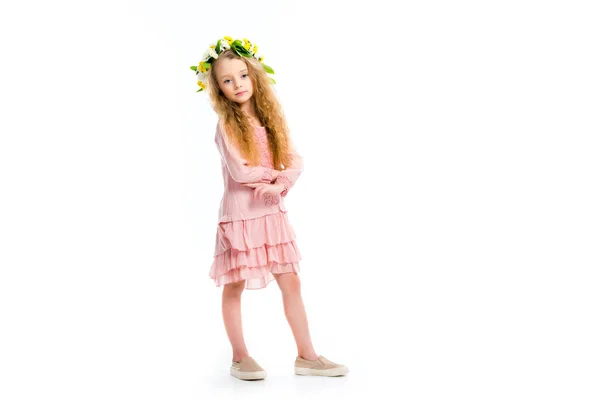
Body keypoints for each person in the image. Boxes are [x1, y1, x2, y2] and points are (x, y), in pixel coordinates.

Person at [191, 37, 349, 380]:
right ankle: (240, 357)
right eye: (227, 80)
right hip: (241, 216)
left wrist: (280, 184)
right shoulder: (226, 125)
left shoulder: (270, 117)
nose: (237, 85)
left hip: (271, 213)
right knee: (234, 285)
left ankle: (307, 356)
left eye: (242, 76)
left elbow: (295, 161)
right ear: (218, 88)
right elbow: (240, 171)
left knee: (290, 281)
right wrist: (270, 176)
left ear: (254, 75)